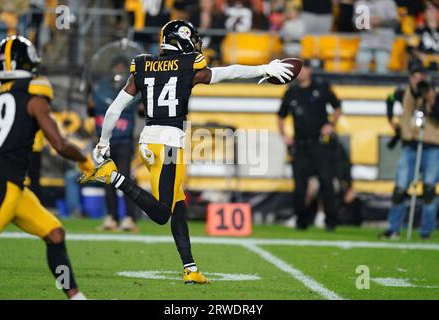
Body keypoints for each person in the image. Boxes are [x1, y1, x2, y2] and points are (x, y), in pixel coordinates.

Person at [79, 19, 294, 284]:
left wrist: (103, 143)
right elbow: (229, 72)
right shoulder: (188, 65)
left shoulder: (143, 65)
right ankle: (114, 176)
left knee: (177, 205)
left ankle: (190, 268)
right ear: (182, 39)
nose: (195, 44)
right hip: (169, 144)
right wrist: (265, 68)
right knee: (161, 213)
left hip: (148, 141)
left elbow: (114, 109)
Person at [0, 36, 94, 299]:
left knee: (54, 233)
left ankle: (76, 297)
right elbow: (58, 143)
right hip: (4, 184)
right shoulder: (34, 97)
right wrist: (83, 159)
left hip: (13, 186)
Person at [277, 60, 341, 231]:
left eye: (304, 68)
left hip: (321, 144)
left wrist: (331, 124)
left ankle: (331, 221)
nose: (301, 72)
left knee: (326, 182)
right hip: (300, 145)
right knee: (300, 185)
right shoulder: (291, 92)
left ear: (310, 70)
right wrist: (284, 135)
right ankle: (301, 220)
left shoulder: (322, 87)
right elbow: (281, 115)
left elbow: (337, 107)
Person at [379, 78, 439, 240]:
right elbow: (389, 98)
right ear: (411, 78)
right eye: (415, 77)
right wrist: (391, 118)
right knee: (399, 189)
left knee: (429, 190)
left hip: (432, 147)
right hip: (410, 146)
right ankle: (394, 229)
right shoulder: (402, 93)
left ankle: (426, 232)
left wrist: (432, 101)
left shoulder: (435, 95)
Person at [88, 57, 141, 232]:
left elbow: (140, 110)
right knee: (108, 180)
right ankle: (112, 217)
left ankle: (129, 218)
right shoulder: (102, 87)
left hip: (124, 141)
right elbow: (91, 107)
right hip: (105, 142)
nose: (118, 70)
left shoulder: (131, 86)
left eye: (121, 67)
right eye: (116, 67)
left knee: (124, 179)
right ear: (111, 69)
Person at [354, 0, 398, 73]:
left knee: (382, 69)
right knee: (361, 67)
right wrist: (368, 22)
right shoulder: (360, 3)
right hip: (366, 43)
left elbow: (394, 22)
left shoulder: (389, 2)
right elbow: (356, 25)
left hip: (384, 43)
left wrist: (380, 22)